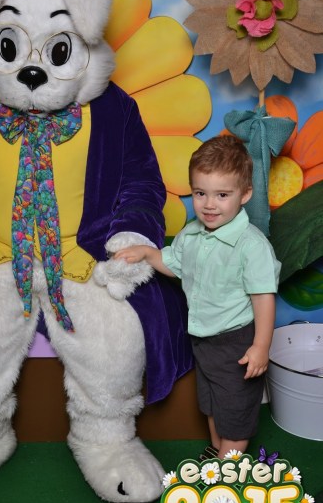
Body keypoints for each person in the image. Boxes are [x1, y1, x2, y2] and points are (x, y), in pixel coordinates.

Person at [114, 135, 281, 460]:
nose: (209, 204)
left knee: (235, 411)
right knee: (212, 403)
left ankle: (226, 467)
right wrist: (148, 253)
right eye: (200, 193)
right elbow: (176, 265)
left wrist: (261, 346)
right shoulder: (192, 233)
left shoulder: (251, 246)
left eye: (222, 195)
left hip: (237, 341)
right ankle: (218, 451)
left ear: (245, 194)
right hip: (203, 338)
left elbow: (263, 299)